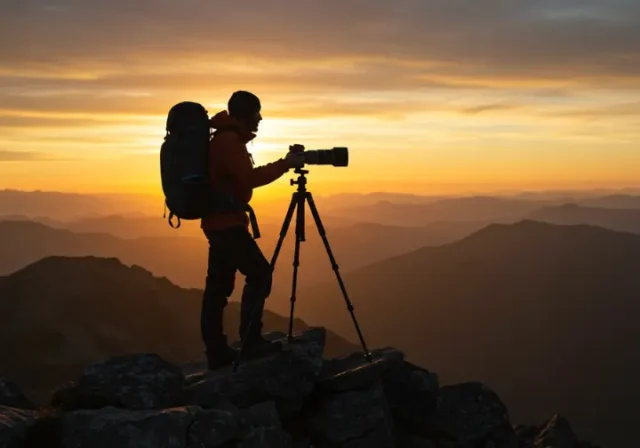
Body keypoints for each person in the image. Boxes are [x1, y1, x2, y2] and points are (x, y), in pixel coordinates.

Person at [200, 90, 304, 370]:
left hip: (219, 222)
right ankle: (250, 341)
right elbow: (249, 179)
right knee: (259, 274)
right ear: (245, 114)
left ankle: (218, 351)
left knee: (218, 288)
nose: (260, 118)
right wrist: (285, 165)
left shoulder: (224, 138)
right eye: (257, 113)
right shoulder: (228, 142)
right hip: (227, 224)